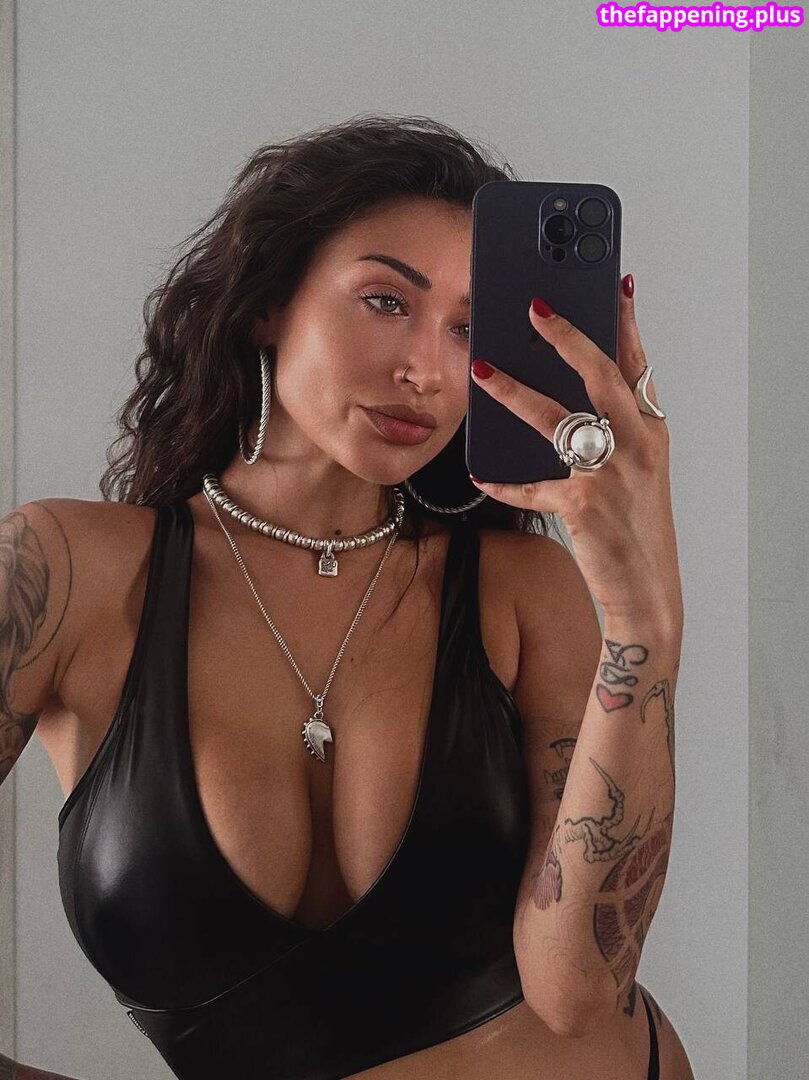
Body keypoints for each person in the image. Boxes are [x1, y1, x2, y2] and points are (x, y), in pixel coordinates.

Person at [0, 115, 695, 1080]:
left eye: (467, 328)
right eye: (384, 301)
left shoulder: (520, 592)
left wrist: (644, 622)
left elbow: (578, 990)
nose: (425, 369)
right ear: (265, 303)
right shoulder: (62, 574)